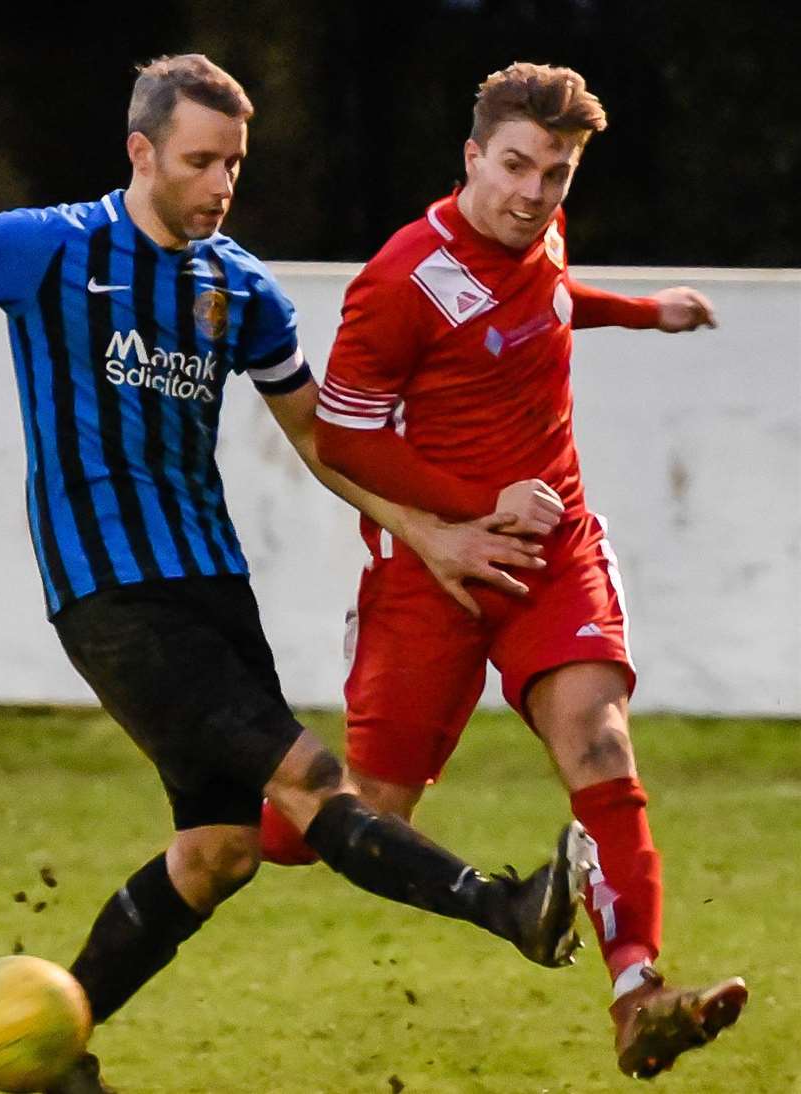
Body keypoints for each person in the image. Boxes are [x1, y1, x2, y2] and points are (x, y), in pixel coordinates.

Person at [0, 55, 595, 1093]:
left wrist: (433, 531)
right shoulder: (46, 249)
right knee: (312, 783)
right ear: (141, 152)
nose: (221, 183)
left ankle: (51, 1051)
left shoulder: (243, 287)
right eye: (198, 161)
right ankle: (506, 905)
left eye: (234, 162)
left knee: (219, 853)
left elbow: (323, 443)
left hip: (213, 589)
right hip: (111, 595)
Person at [259, 62, 748, 1080]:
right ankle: (220, 812)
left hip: (550, 552)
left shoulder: (541, 232)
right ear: (472, 155)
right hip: (425, 574)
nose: (533, 193)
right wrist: (471, 510)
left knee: (601, 741)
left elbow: (550, 294)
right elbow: (343, 434)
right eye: (516, 166)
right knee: (359, 817)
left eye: (556, 174)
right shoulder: (400, 279)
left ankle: (638, 992)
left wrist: (641, 311)